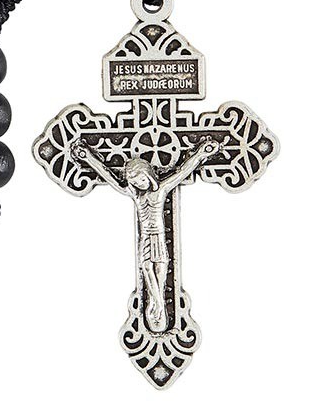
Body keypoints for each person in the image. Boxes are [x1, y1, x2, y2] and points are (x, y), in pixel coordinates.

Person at [71, 137, 223, 333]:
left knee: (161, 269)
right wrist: (89, 158)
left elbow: (182, 172)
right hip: (146, 238)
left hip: (158, 236)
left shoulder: (160, 191)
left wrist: (201, 154)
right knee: (147, 267)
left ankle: (157, 303)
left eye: (142, 179)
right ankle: (157, 303)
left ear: (149, 176)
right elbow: (111, 179)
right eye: (135, 182)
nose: (140, 184)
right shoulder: (136, 195)